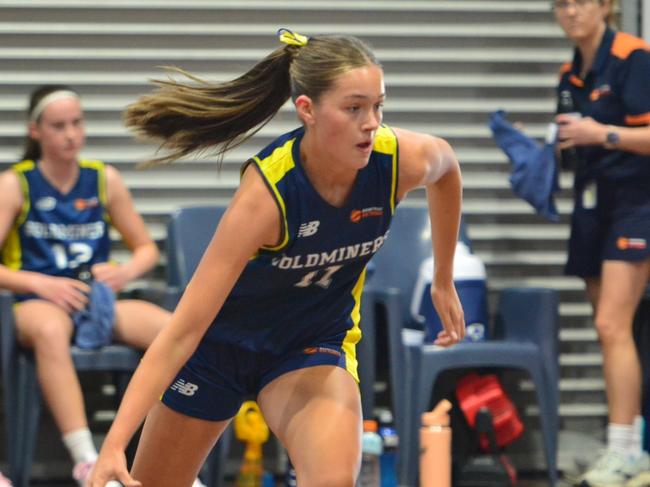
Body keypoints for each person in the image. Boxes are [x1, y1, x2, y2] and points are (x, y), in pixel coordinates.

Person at [87, 28, 464, 487]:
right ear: (306, 109)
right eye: (354, 108)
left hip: (310, 347)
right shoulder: (267, 197)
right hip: (219, 353)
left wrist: (443, 279)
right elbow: (182, 332)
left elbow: (448, 171)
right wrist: (112, 444)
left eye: (378, 105)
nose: (371, 122)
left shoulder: (396, 158)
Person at [0, 85, 180, 487]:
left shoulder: (104, 179)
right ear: (36, 131)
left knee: (173, 331)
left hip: (94, 299)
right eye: (59, 126)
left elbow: (146, 248)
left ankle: (166, 457)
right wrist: (40, 283)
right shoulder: (17, 184)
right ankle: (85, 459)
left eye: (77, 123)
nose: (70, 134)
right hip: (37, 301)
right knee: (50, 329)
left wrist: (124, 271)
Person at [552, 1, 650, 485]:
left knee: (614, 322)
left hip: (636, 201)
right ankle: (626, 446)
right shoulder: (569, 72)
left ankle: (627, 451)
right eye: (561, 4)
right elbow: (574, 141)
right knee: (607, 327)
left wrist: (602, 133)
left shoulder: (634, 57)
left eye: (581, 2)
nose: (571, 12)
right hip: (592, 202)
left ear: (607, 6)